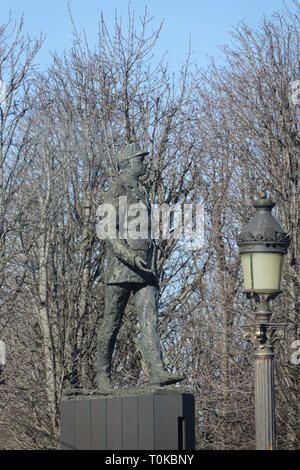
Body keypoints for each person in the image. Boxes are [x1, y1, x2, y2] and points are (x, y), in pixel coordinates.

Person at [95, 142, 184, 390]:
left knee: (149, 320)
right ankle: (102, 374)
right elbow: (111, 233)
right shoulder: (117, 190)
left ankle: (157, 370)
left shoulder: (141, 191)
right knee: (111, 323)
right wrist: (130, 256)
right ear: (128, 164)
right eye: (140, 160)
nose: (144, 164)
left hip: (145, 267)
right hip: (122, 268)